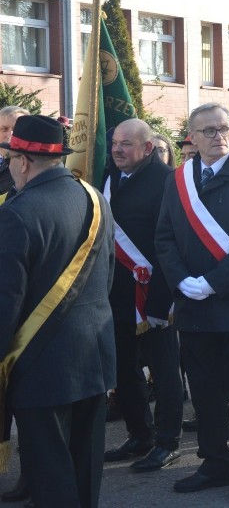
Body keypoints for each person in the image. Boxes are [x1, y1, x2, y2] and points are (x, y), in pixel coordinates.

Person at [155, 103, 229, 506]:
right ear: (192, 137)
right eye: (207, 131)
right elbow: (164, 237)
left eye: (223, 128)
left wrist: (212, 282)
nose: (217, 136)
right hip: (193, 307)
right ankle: (214, 461)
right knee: (204, 391)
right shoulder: (178, 180)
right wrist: (182, 281)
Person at [0, 114, 116, 508]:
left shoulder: (16, 212)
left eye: (9, 158)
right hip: (95, 356)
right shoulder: (95, 198)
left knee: (50, 476)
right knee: (85, 469)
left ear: (23, 161)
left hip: (39, 366)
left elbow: (5, 302)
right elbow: (109, 274)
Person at [103, 119, 184, 473]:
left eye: (126, 144)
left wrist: (163, 300)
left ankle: (169, 442)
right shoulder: (107, 176)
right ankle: (140, 434)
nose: (118, 150)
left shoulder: (166, 182)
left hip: (155, 294)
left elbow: (172, 244)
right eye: (115, 143)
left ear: (148, 148)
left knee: (165, 372)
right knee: (124, 369)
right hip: (115, 293)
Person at [0, 106, 29, 203]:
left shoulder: (31, 169)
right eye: (4, 129)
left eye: (16, 129)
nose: (10, 135)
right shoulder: (4, 162)